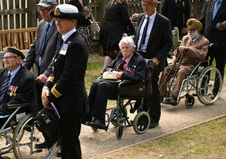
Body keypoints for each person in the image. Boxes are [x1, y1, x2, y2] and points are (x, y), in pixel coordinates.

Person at [41, 4, 88, 159]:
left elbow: (69, 77)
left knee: (70, 145)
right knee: (67, 144)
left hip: (71, 104)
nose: (57, 23)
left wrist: (51, 96)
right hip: (63, 103)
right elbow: (55, 68)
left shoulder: (76, 43)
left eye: (62, 20)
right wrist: (46, 86)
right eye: (57, 20)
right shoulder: (64, 41)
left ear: (73, 22)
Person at [85, 36, 146, 129]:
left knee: (102, 86)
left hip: (126, 87)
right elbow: (107, 68)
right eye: (122, 48)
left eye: (127, 48)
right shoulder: (120, 55)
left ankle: (100, 120)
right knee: (95, 84)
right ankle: (88, 115)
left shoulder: (139, 60)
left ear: (133, 48)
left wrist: (123, 74)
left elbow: (139, 77)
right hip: (114, 83)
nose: (124, 50)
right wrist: (111, 71)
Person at [134, 0, 172, 129]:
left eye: (148, 5)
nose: (145, 8)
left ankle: (154, 117)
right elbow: (137, 37)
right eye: (143, 5)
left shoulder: (163, 21)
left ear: (155, 5)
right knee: (140, 85)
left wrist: (157, 58)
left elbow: (168, 44)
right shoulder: (140, 18)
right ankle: (142, 114)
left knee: (152, 86)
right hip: (140, 57)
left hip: (154, 59)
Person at [159, 18, 210, 105]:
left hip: (192, 65)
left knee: (181, 72)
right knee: (165, 70)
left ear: (198, 30)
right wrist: (177, 51)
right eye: (189, 29)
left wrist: (188, 49)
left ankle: (175, 97)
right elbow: (176, 52)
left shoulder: (204, 41)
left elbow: (202, 55)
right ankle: (160, 94)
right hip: (180, 63)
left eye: (192, 30)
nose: (190, 31)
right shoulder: (185, 38)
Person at [23, 0, 61, 108]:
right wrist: (22, 70)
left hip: (51, 76)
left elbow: (57, 54)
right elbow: (34, 47)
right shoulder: (41, 24)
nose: (43, 13)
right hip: (38, 72)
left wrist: (47, 73)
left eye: (47, 10)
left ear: (55, 8)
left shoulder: (59, 26)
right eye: (41, 10)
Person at [200, 0, 226, 96]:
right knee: (204, 66)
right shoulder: (208, 2)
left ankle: (216, 92)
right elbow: (202, 21)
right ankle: (203, 90)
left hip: (222, 42)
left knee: (219, 68)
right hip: (206, 42)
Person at [99, 0, 135, 68]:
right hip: (113, 32)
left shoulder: (111, 2)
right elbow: (126, 18)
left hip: (105, 30)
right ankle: (104, 73)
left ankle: (107, 72)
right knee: (111, 54)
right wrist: (133, 30)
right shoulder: (122, 3)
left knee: (107, 53)